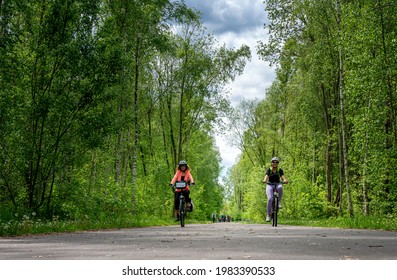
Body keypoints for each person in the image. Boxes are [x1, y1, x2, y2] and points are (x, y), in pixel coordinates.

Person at [262, 157, 288, 222]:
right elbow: (266, 176)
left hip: (277, 184)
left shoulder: (279, 170)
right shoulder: (269, 170)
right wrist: (265, 180)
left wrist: (285, 180)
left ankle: (278, 201)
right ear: (271, 163)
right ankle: (268, 215)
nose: (275, 163)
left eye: (276, 162)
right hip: (270, 185)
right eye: (273, 162)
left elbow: (283, 177)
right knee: (270, 198)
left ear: (278, 163)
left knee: (280, 187)